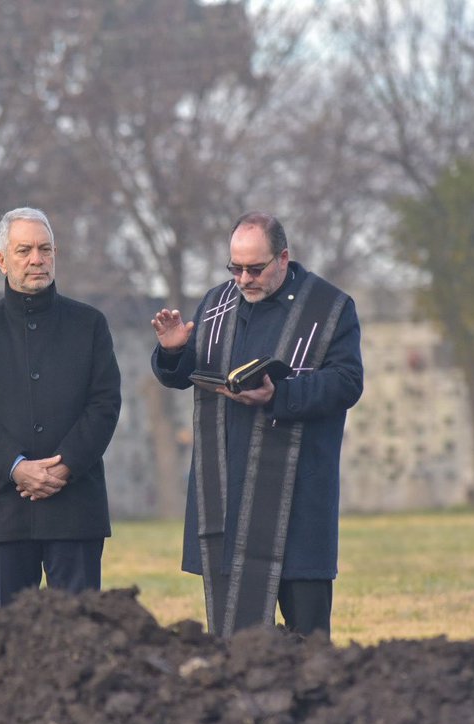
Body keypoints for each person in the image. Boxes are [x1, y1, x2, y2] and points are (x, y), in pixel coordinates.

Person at [151, 211, 363, 637]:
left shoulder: (330, 307)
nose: (243, 279)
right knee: (234, 646)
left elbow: (347, 383)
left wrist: (279, 395)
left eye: (255, 268)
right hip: (227, 505)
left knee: (309, 646)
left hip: (296, 506)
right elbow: (186, 375)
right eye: (235, 268)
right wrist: (174, 353)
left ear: (283, 258)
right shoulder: (216, 303)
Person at [0, 207, 121, 606]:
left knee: (80, 634)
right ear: (1, 259)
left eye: (45, 249)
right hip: (4, 510)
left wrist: (64, 466)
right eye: (24, 250)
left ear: (56, 253)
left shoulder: (89, 324)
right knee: (11, 641)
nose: (37, 260)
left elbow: (105, 404)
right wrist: (17, 468)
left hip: (76, 507)